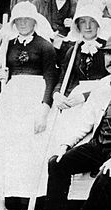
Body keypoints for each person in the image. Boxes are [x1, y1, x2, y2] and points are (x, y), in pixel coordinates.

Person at [38, 36, 111, 210]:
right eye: (108, 53)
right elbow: (87, 120)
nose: (110, 59)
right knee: (58, 163)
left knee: (106, 178)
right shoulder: (105, 85)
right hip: (101, 146)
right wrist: (66, 144)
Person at [0, 1, 57, 200]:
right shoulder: (8, 45)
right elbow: (0, 69)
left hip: (34, 97)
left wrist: (44, 109)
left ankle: (32, 197)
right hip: (12, 98)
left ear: (34, 21)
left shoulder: (45, 46)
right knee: (10, 143)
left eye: (26, 19)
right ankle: (10, 195)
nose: (22, 23)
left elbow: (50, 78)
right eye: (18, 20)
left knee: (31, 145)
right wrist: (2, 74)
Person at [52, 4, 109, 148]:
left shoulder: (107, 49)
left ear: (98, 24)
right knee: (67, 136)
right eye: (83, 22)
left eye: (92, 21)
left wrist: (85, 96)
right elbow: (63, 78)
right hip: (76, 100)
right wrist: (56, 94)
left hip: (102, 97)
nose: (88, 26)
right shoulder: (73, 50)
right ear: (77, 25)